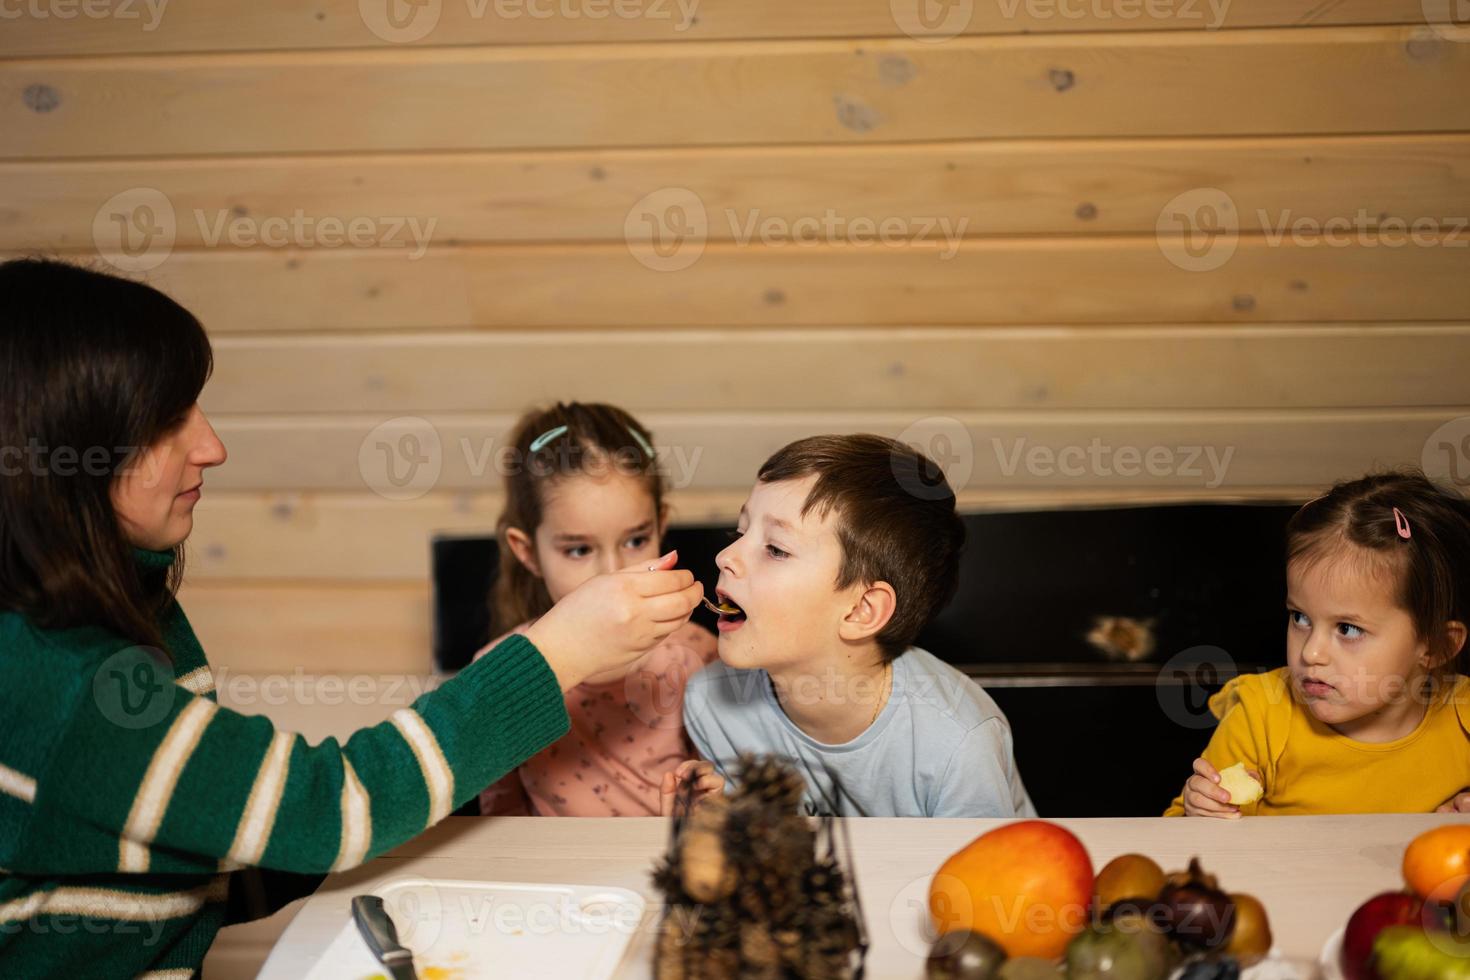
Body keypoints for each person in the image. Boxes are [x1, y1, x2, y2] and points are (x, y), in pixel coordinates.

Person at [0, 258, 702, 976]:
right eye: (166, 419)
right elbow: (323, 809)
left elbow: (196, 853)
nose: (211, 446)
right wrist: (557, 654)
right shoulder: (52, 686)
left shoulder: (121, 610)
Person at [675, 434, 1035, 818]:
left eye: (776, 549)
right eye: (740, 532)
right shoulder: (710, 702)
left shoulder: (957, 742)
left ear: (861, 611)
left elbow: (982, 875)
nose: (725, 556)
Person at [1167, 470, 1470, 817]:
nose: (1311, 652)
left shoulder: (1464, 718)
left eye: (1347, 628)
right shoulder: (1261, 715)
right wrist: (1200, 811)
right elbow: (1177, 846)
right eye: (1300, 618)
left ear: (1436, 646)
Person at [477, 402, 719, 817]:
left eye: (635, 541)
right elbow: (500, 825)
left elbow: (726, 799)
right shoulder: (500, 673)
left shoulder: (700, 656)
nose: (613, 575)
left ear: (660, 526)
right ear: (528, 552)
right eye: (579, 549)